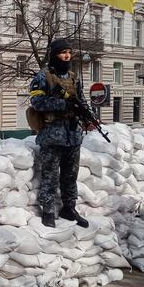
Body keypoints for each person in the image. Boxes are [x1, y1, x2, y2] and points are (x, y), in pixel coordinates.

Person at [28, 38, 89, 228]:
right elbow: (36, 102)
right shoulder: (42, 77)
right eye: (63, 52)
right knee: (50, 176)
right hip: (52, 135)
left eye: (69, 52)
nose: (67, 56)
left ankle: (69, 207)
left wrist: (88, 116)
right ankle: (48, 210)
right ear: (55, 54)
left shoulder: (73, 77)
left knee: (71, 176)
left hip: (72, 135)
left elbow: (82, 100)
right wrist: (63, 104)